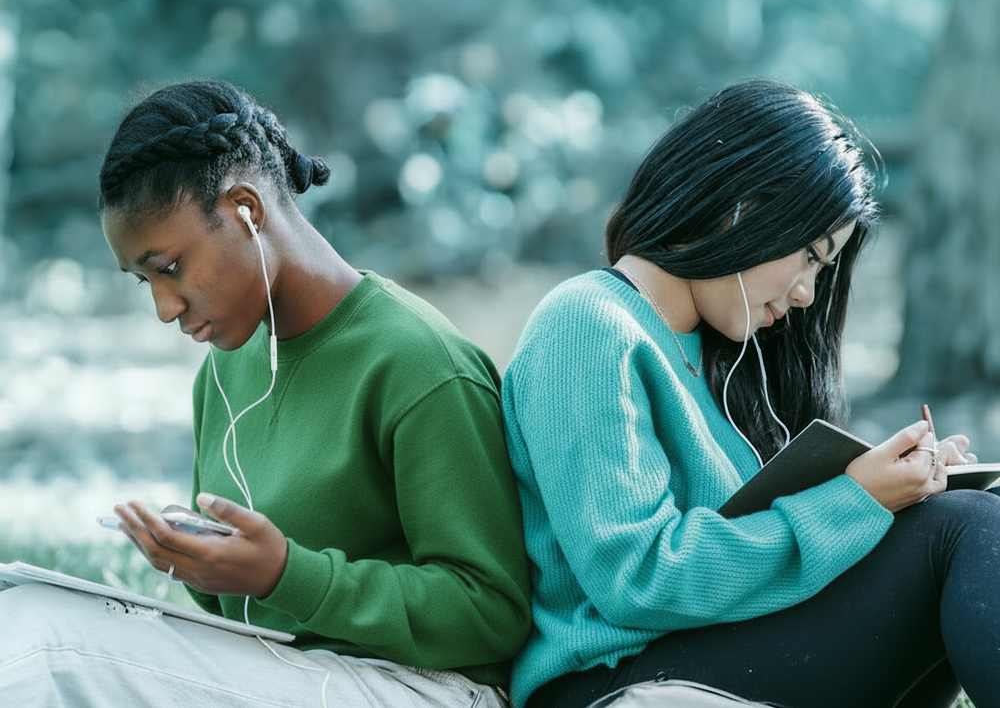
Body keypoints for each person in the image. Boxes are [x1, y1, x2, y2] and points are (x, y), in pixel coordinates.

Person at [0, 79, 531, 706]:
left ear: (247, 210)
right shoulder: (224, 371)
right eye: (142, 280)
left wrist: (287, 574)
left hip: (426, 689)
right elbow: (242, 609)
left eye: (169, 268)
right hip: (286, 672)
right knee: (23, 611)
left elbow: (492, 614)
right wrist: (197, 560)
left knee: (52, 649)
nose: (165, 309)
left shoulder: (419, 364)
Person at [501, 79, 1000, 708]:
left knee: (958, 518)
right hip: (610, 677)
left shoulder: (726, 358)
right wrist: (855, 501)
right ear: (742, 209)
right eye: (811, 258)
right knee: (965, 529)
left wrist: (896, 494)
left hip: (721, 652)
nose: (807, 296)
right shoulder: (586, 324)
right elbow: (637, 577)